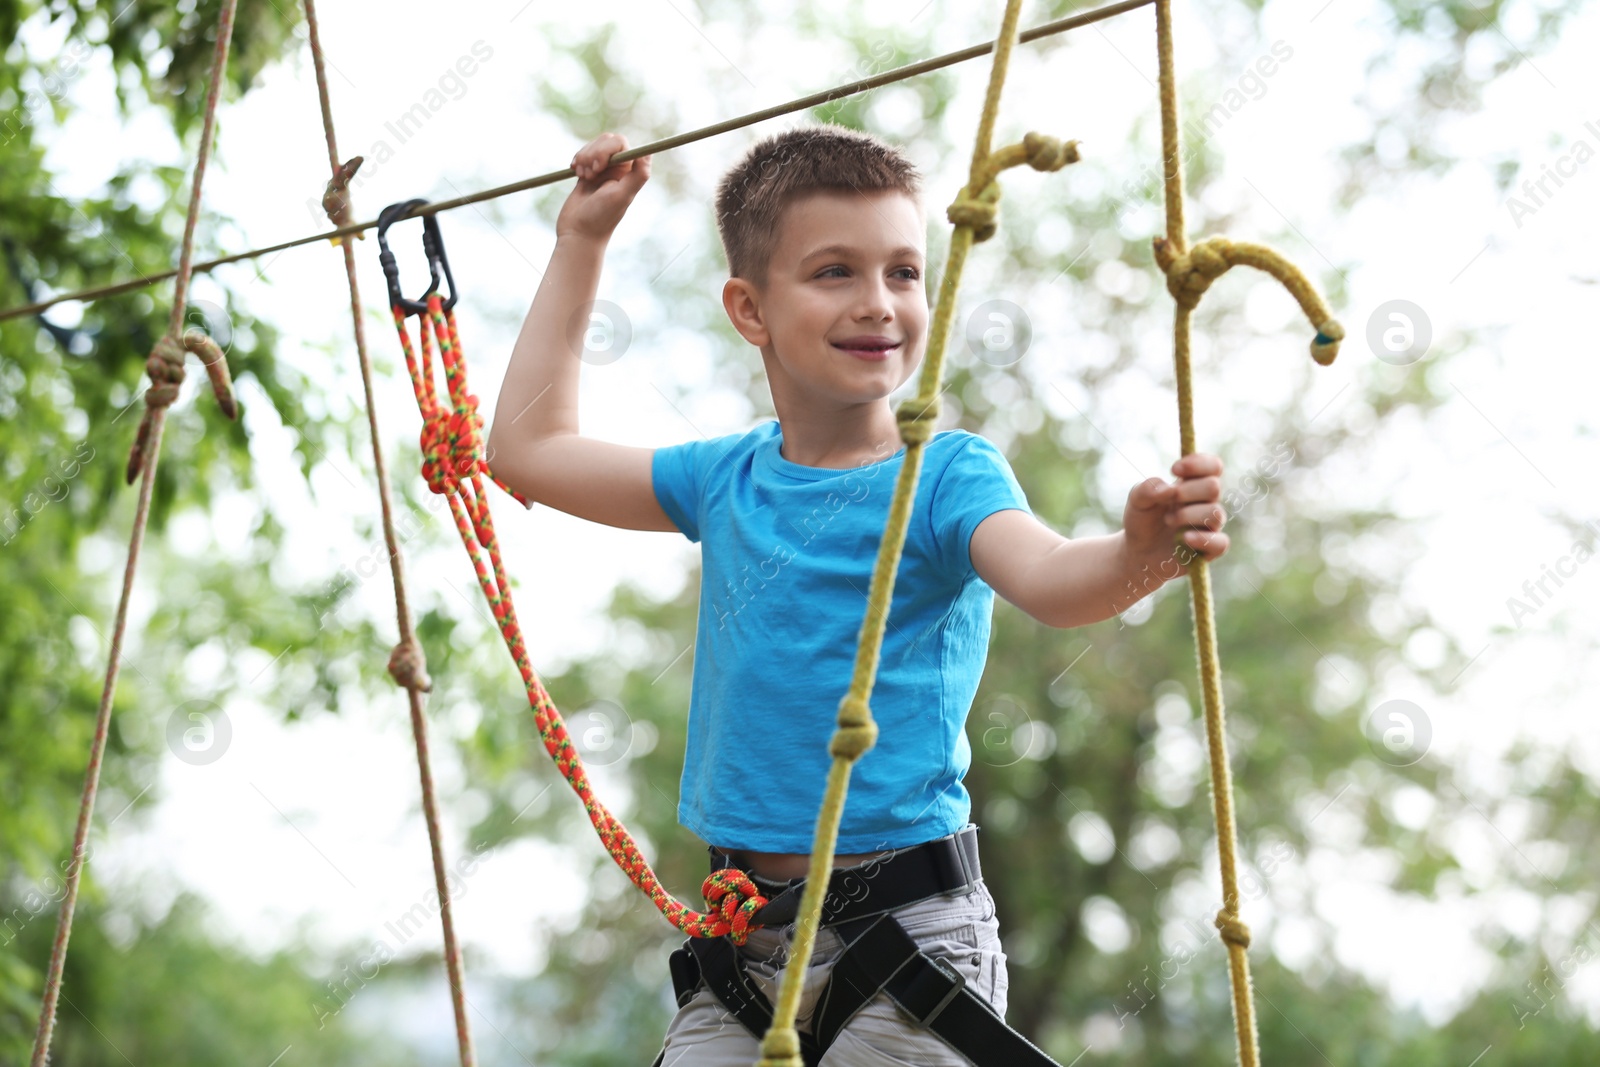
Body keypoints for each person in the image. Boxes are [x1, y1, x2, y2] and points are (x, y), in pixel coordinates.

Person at [486, 124, 1229, 1066]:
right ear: (750, 311)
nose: (879, 303)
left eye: (903, 272)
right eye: (835, 271)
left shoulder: (946, 475)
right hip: (744, 945)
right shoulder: (725, 479)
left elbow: (1051, 580)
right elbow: (526, 451)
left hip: (911, 938)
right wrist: (582, 242)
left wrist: (1139, 552)